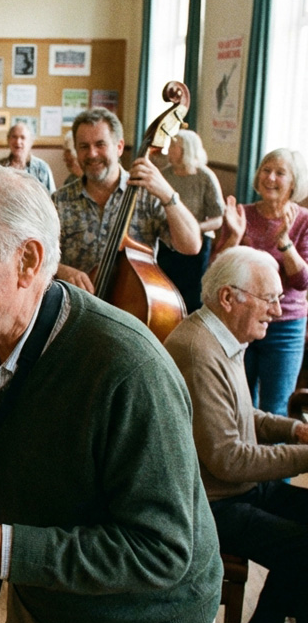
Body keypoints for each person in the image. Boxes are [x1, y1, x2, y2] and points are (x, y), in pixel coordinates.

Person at [0, 163, 222, 623]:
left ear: (28, 262)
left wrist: (3, 551)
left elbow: (162, 552)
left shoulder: (128, 368)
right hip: (47, 602)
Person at [165, 246, 308, 623]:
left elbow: (245, 414)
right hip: (209, 505)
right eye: (270, 299)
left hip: (232, 490)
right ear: (229, 298)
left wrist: (294, 431)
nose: (279, 311)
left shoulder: (221, 336)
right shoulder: (198, 350)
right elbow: (229, 458)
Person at [53, 107, 202, 293]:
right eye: (84, 146)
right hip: (77, 309)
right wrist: (60, 270)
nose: (92, 154)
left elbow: (191, 246)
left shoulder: (148, 196)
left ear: (119, 147)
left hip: (132, 311)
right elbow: (37, 255)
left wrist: (167, 194)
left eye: (100, 144)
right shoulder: (59, 201)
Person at [213, 148, 308, 416]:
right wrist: (234, 236)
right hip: (242, 320)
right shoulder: (241, 213)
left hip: (285, 327)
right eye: (266, 170)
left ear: (294, 181)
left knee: (275, 408)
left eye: (280, 173)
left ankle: (272, 458)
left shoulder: (303, 220)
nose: (270, 178)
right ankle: (246, 457)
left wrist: (285, 242)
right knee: (240, 405)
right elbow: (216, 272)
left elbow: (302, 281)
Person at [156, 130, 225, 312]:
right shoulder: (164, 175)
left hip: (197, 247)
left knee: (191, 296)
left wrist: (193, 228)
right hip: (166, 242)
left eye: (173, 146)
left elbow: (217, 219)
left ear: (186, 150)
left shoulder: (205, 177)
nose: (168, 150)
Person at [0, 122, 55, 193]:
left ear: (30, 141)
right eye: (14, 137)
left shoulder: (41, 168)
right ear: (8, 140)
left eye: (23, 137)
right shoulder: (0, 167)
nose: (18, 142)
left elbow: (52, 198)